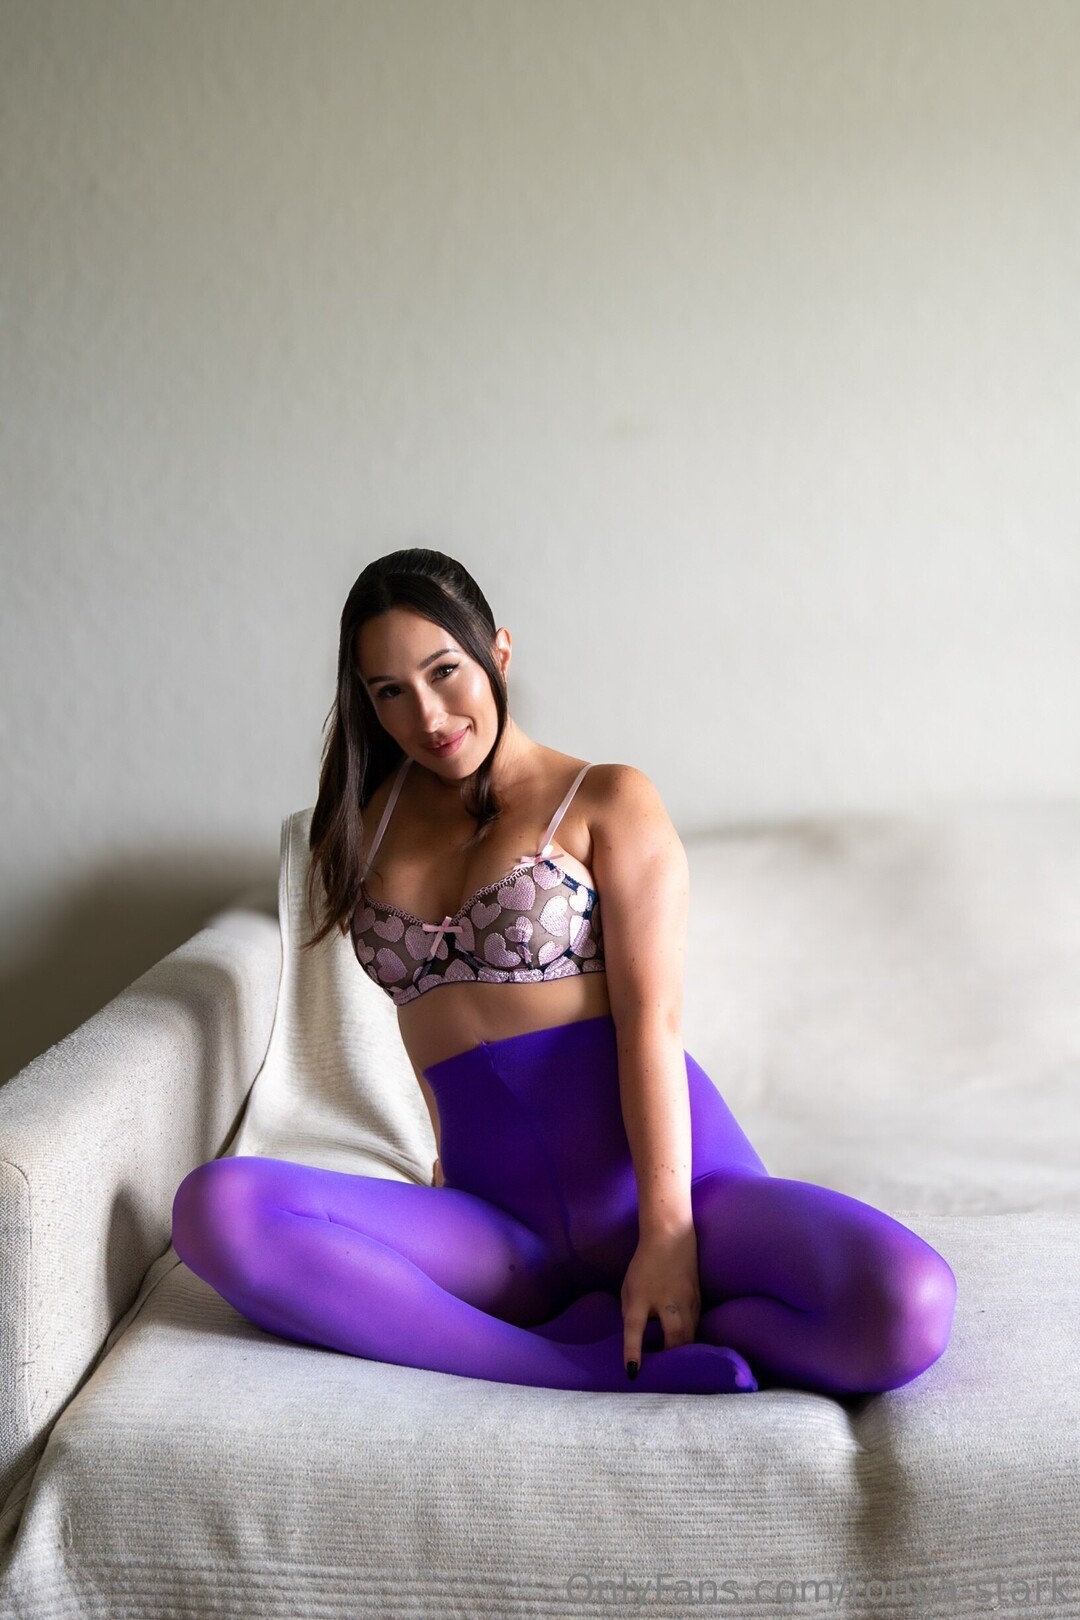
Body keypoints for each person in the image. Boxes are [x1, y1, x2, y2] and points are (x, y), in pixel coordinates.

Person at [172, 549, 957, 1395]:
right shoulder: (361, 830)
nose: (428, 715)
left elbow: (652, 1022)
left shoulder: (606, 799)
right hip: (499, 1224)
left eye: (445, 671)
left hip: (678, 1192)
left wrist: (667, 1237)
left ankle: (677, 1325)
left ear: (499, 652)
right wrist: (439, 1175)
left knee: (908, 1306)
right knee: (217, 1210)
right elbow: (426, 1029)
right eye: (389, 691)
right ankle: (576, 1365)